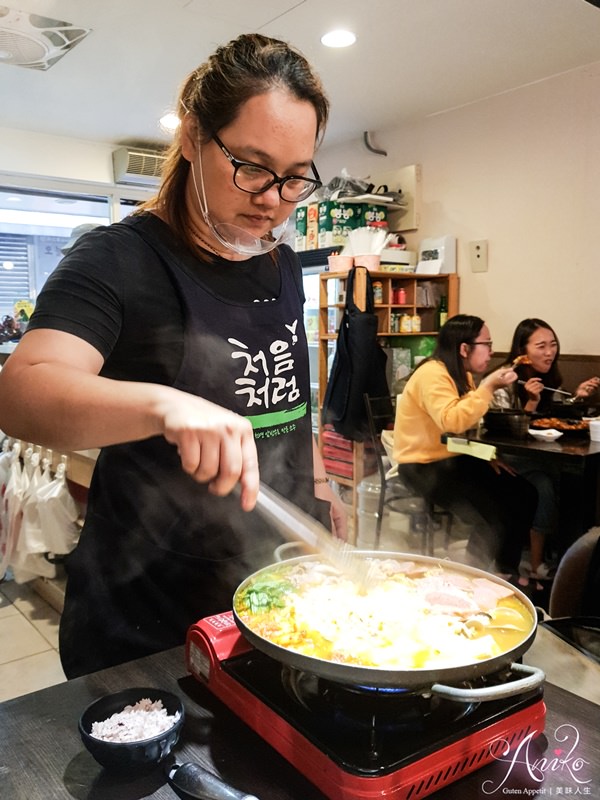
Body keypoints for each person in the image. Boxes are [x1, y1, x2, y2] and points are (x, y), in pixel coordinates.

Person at [0, 33, 345, 678]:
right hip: (147, 613)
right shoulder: (118, 259)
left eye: (296, 178)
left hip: (271, 593)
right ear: (192, 139)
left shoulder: (283, 265)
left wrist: (323, 492)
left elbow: (292, 402)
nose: (272, 198)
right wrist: (165, 405)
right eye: (250, 164)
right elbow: (24, 391)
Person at [392, 315, 537, 580]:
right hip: (421, 466)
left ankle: (506, 571)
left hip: (455, 458)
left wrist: (487, 455)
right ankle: (472, 579)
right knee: (493, 515)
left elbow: (467, 427)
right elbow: (453, 420)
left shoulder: (462, 374)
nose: (491, 351)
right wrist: (488, 386)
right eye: (487, 344)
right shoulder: (432, 373)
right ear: (463, 348)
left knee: (525, 492)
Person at [491, 317, 600, 583]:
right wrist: (530, 403)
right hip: (506, 455)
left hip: (541, 453)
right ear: (522, 351)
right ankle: (537, 563)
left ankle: (572, 558)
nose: (549, 352)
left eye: (553, 345)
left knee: (573, 478)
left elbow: (556, 414)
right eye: (541, 346)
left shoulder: (547, 376)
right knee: (546, 483)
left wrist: (577, 397)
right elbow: (502, 431)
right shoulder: (506, 379)